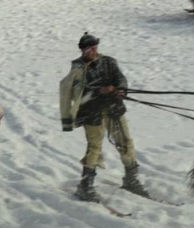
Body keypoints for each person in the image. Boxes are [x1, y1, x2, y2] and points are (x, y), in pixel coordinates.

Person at [59, 32, 150, 202]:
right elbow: (78, 94)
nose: (93, 51)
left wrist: (121, 89)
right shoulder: (78, 69)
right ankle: (86, 186)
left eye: (95, 47)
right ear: (83, 50)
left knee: (126, 142)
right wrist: (98, 91)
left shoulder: (108, 62)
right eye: (89, 48)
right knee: (94, 147)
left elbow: (120, 78)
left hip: (114, 109)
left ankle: (131, 179)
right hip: (92, 114)